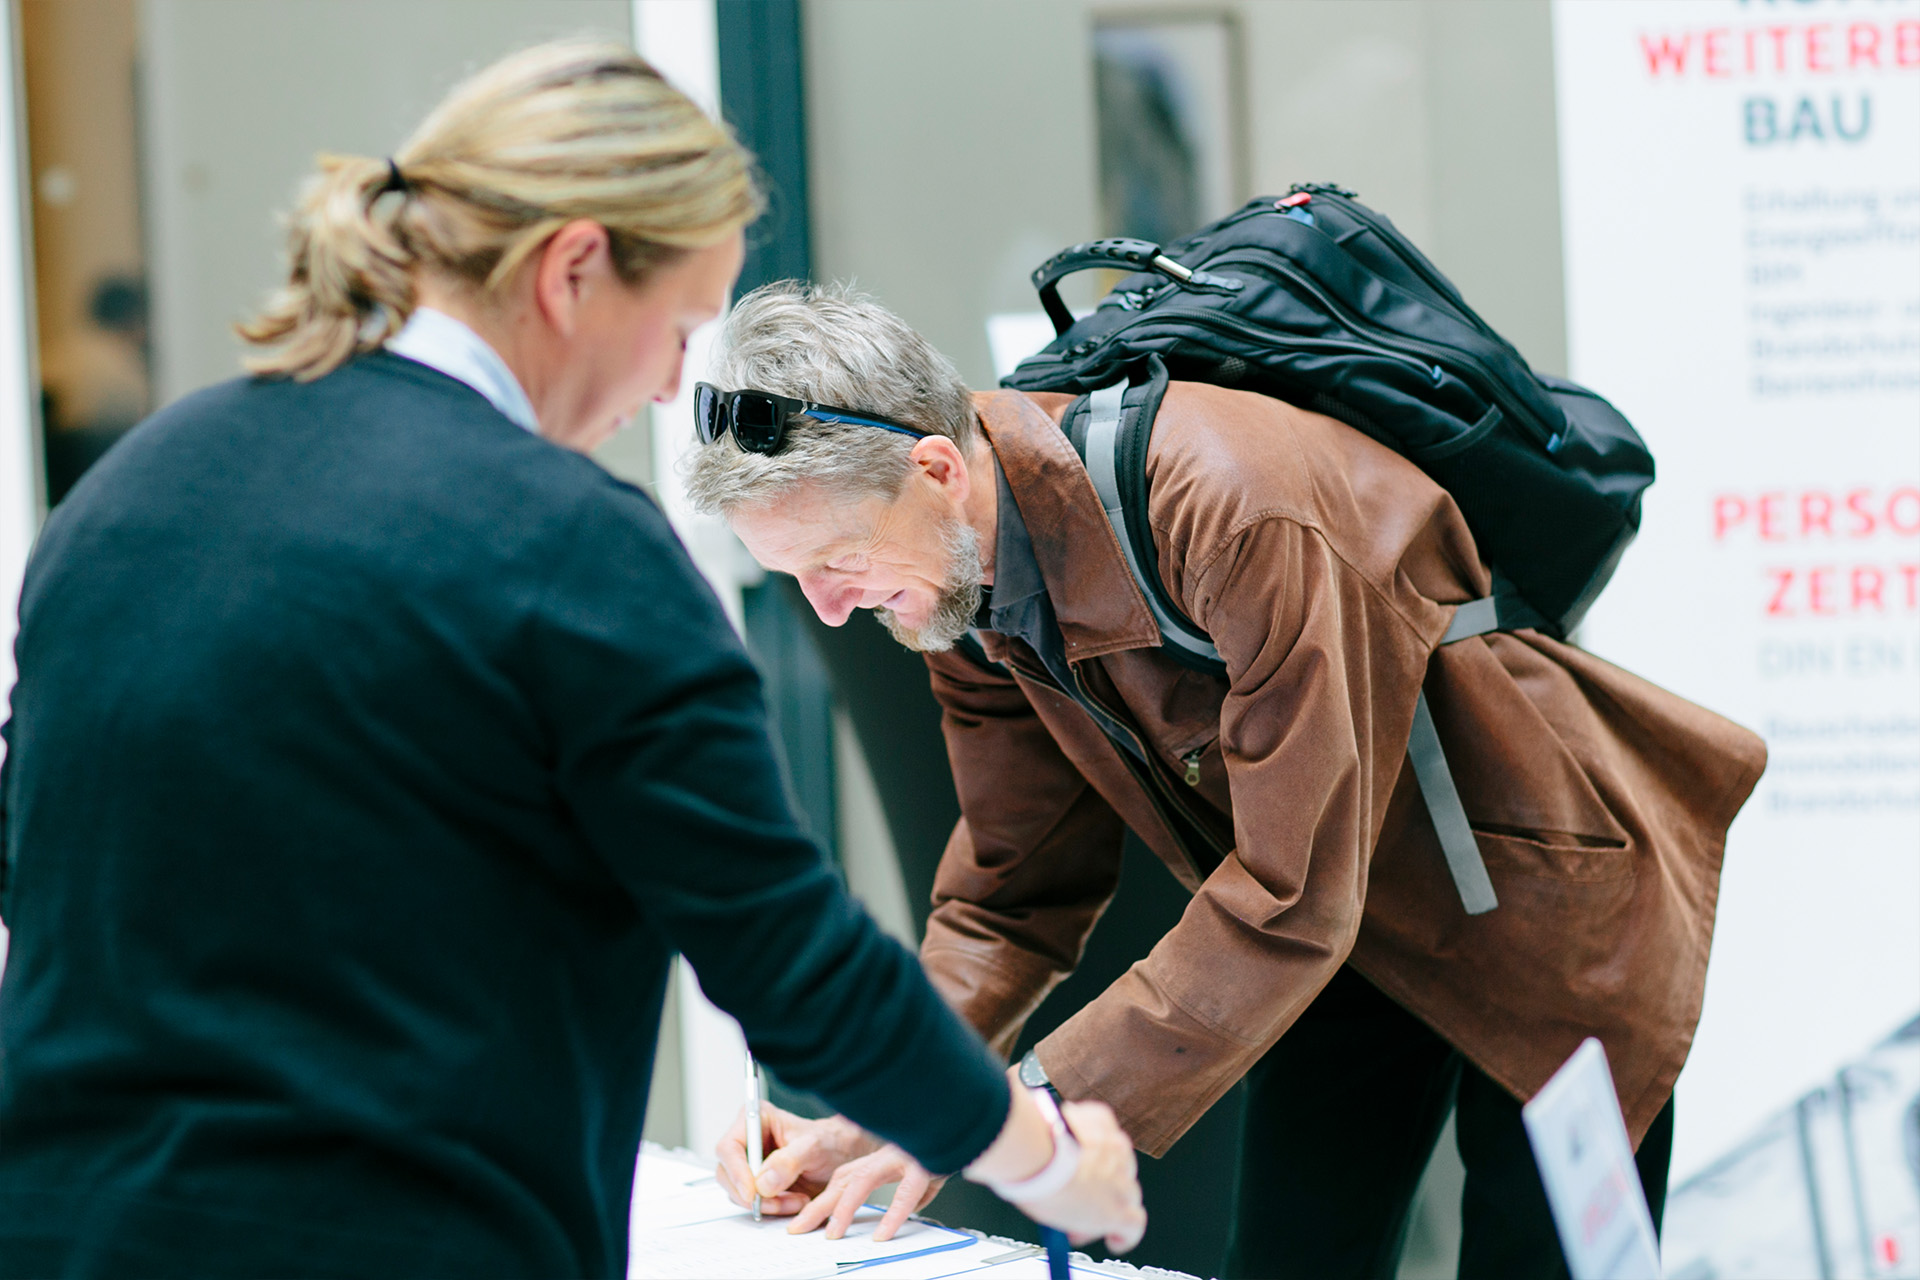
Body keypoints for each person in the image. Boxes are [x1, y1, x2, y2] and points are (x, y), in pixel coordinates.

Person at [0, 43, 1144, 1277]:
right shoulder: (569, 545)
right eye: (680, 330)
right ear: (575, 269)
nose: (667, 389)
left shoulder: (130, 491)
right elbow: (790, 959)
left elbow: (40, 866)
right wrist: (1047, 1157)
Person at [687, 281, 1770, 1278]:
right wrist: (896, 1097)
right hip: (1344, 939)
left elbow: (1294, 890)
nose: (830, 609)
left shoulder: (1233, 505)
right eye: (799, 581)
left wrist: (1019, 1110)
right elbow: (1013, 892)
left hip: (1541, 912)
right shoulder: (954, 588)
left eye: (837, 562)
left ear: (934, 469)